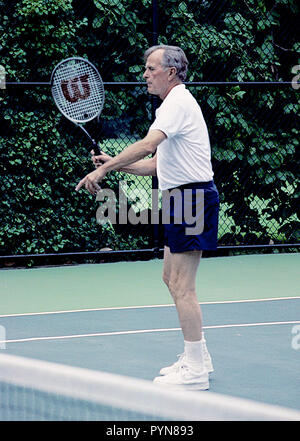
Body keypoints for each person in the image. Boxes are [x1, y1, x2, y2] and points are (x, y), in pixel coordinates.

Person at [75, 45, 219, 391]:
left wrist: (107, 169)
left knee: (183, 286)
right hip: (180, 197)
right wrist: (116, 162)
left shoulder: (177, 103)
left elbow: (145, 145)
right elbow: (155, 164)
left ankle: (196, 370)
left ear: (171, 72)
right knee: (171, 277)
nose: (145, 74)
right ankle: (198, 355)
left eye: (151, 68)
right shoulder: (173, 106)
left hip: (192, 198)